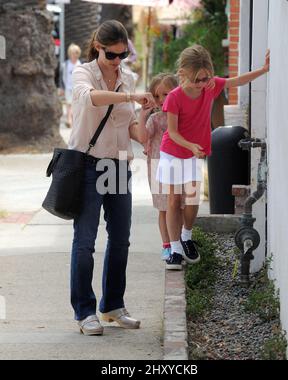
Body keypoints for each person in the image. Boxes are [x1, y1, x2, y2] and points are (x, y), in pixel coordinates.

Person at [68, 20, 155, 336]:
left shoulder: (128, 79)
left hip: (118, 165)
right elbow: (91, 98)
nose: (118, 61)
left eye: (122, 55)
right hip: (89, 166)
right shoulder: (83, 73)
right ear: (98, 47)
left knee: (120, 239)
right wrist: (131, 97)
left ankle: (112, 305)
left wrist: (144, 121)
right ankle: (84, 311)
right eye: (112, 55)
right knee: (85, 241)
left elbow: (130, 127)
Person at [157, 44, 270, 270]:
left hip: (192, 152)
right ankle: (176, 251)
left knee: (192, 199)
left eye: (205, 78)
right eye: (196, 80)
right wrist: (191, 145)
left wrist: (264, 70)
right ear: (183, 74)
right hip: (173, 151)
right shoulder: (175, 97)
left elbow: (235, 81)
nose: (202, 84)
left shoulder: (210, 87)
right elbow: (174, 133)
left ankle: (187, 237)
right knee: (174, 200)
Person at [137, 73, 185, 261]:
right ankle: (167, 245)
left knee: (179, 205)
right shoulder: (155, 119)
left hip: (179, 164)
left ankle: (178, 242)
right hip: (157, 167)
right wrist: (142, 115)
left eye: (166, 94)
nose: (161, 100)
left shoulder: (182, 116)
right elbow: (142, 137)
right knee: (163, 208)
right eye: (157, 96)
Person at [61, 44, 82, 128]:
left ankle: (74, 120)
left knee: (76, 105)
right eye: (73, 53)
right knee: (68, 104)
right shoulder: (66, 64)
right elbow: (62, 76)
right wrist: (62, 87)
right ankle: (69, 120)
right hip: (68, 88)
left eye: (76, 53)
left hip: (77, 88)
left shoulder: (80, 64)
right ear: (70, 53)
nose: (74, 55)